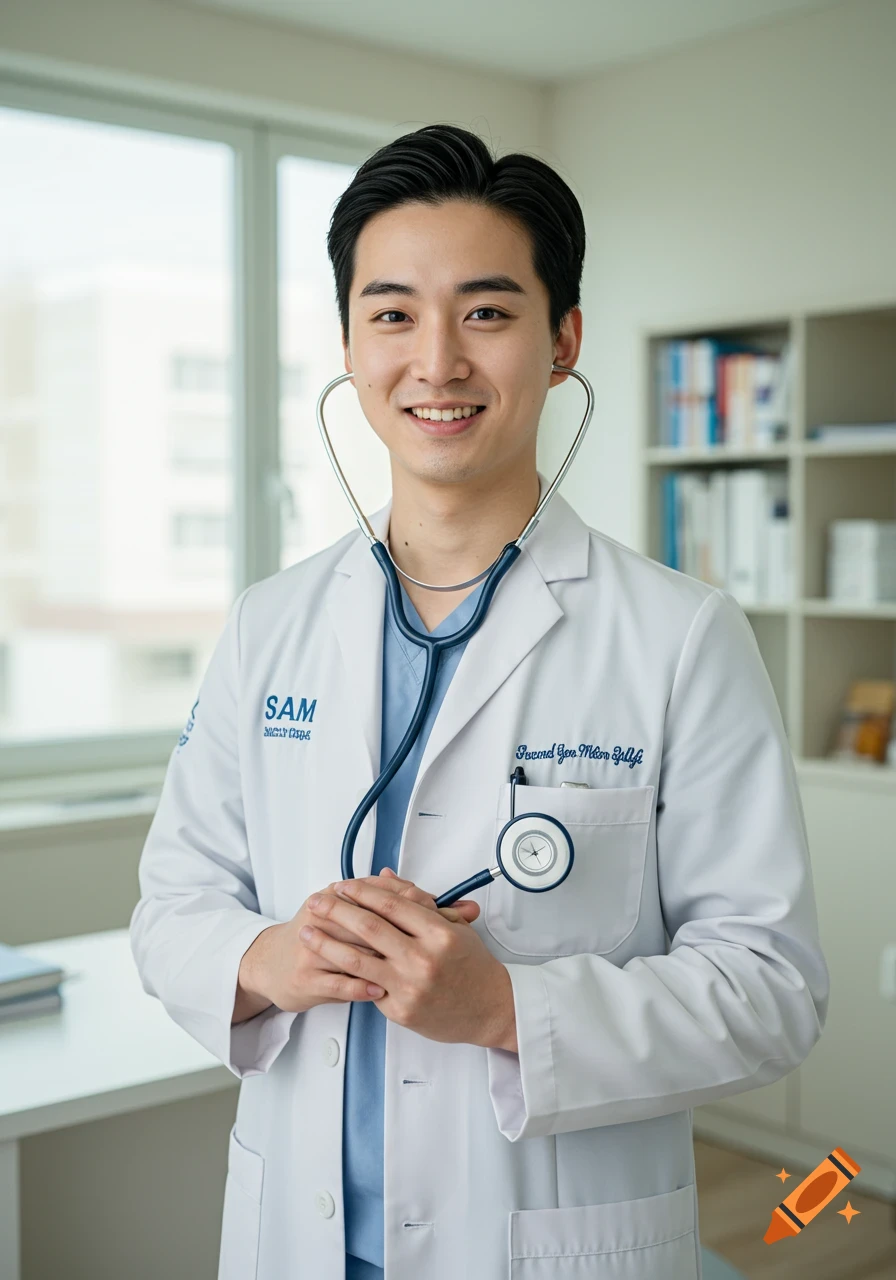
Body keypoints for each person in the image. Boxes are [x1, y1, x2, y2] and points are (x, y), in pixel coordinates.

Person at [130, 123, 829, 1280]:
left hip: (544, 1245)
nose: (437, 361)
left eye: (487, 312)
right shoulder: (271, 623)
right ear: (350, 344)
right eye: (393, 312)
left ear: (561, 342)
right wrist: (269, 955)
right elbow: (170, 908)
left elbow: (769, 988)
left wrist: (507, 1005)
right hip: (292, 1235)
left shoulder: (676, 634)